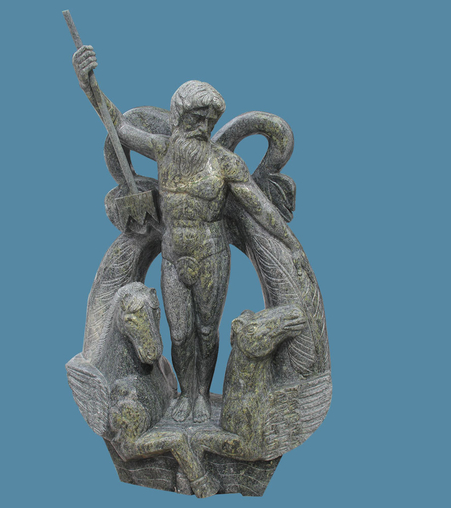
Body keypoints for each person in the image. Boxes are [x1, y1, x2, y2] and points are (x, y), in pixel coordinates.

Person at [72, 46, 312, 423]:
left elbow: (259, 207)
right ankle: (185, 393)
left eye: (209, 120)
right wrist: (90, 87)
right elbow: (118, 126)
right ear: (179, 116)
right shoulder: (163, 149)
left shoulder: (225, 162)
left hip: (211, 255)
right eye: (196, 118)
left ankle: (201, 396)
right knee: (180, 334)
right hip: (173, 257)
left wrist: (290, 242)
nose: (202, 127)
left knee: (206, 331)